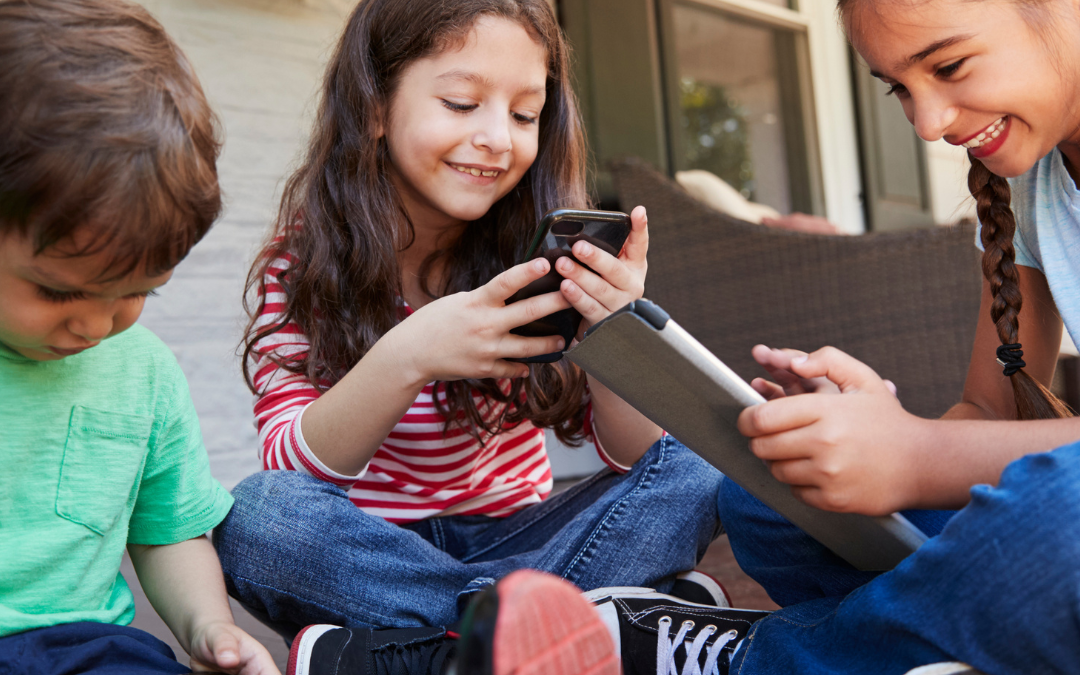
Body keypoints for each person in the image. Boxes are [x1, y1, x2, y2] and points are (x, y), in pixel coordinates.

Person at [211, 0, 727, 671]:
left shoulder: (535, 254)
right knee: (258, 516)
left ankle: (424, 651)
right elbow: (292, 464)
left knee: (701, 460)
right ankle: (587, 622)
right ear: (373, 105)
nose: (497, 138)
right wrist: (410, 352)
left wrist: (614, 335)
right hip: (370, 549)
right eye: (460, 103)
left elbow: (638, 461)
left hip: (522, 533)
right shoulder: (305, 264)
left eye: (522, 114)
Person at [0, 1, 280, 673]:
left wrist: (210, 627)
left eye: (135, 292)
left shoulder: (144, 372)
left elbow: (167, 532)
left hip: (86, 646)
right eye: (59, 290)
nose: (95, 324)